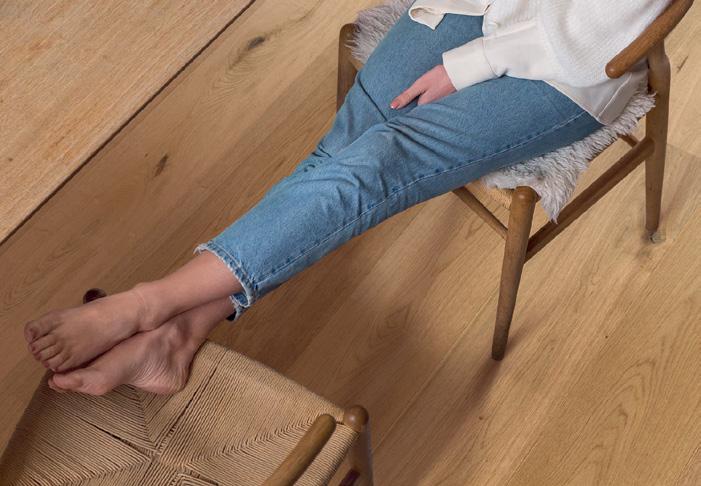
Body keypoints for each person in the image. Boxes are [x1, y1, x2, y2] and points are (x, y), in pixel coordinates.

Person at [23, 0, 670, 395]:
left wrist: (469, 64)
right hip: (473, 5)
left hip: (570, 59)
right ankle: (180, 334)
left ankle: (147, 304)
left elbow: (610, 22)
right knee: (345, 152)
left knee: (381, 158)